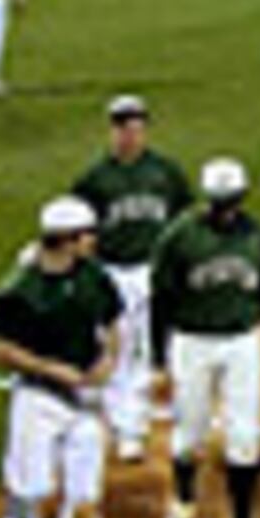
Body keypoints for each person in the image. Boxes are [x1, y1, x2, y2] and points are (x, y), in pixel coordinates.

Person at [0, 195, 126, 518]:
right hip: (37, 399)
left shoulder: (95, 278)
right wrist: (50, 368)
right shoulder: (21, 288)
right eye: (87, 235)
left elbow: (114, 323)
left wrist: (108, 360)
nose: (94, 241)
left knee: (86, 495)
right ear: (65, 240)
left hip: (86, 399)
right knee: (31, 489)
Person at [153, 155, 260, 518]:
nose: (226, 209)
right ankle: (183, 499)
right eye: (219, 201)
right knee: (190, 432)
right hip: (191, 341)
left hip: (242, 342)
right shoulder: (179, 238)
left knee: (244, 437)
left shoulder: (256, 237)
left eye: (231, 200)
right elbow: (162, 300)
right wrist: (159, 355)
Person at [73, 93, 193, 462]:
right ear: (113, 131)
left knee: (164, 342)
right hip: (115, 273)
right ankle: (130, 430)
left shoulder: (165, 172)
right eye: (124, 128)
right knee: (123, 347)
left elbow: (185, 219)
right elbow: (81, 235)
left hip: (156, 271)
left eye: (137, 128)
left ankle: (176, 411)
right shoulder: (95, 180)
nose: (131, 135)